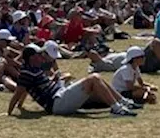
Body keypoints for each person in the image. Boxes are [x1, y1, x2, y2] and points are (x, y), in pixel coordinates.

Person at [8, 45, 138, 118]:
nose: (41, 57)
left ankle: (122, 103)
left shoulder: (33, 69)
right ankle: (117, 109)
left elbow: (24, 90)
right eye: (38, 55)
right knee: (93, 78)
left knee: (97, 79)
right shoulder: (27, 72)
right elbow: (19, 92)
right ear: (31, 57)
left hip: (60, 95)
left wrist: (20, 106)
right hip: (57, 103)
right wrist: (10, 112)